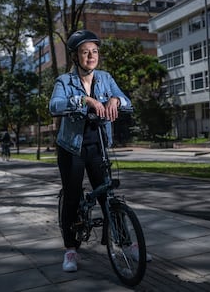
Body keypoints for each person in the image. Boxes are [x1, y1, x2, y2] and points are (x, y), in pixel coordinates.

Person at [49, 30, 139, 272]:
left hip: (98, 144)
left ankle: (127, 243)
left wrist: (115, 101)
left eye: (95, 51)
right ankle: (70, 250)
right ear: (76, 56)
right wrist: (85, 100)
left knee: (107, 195)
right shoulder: (64, 82)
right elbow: (54, 105)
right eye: (85, 52)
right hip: (72, 148)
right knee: (72, 195)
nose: (91, 56)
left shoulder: (106, 78)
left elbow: (125, 99)